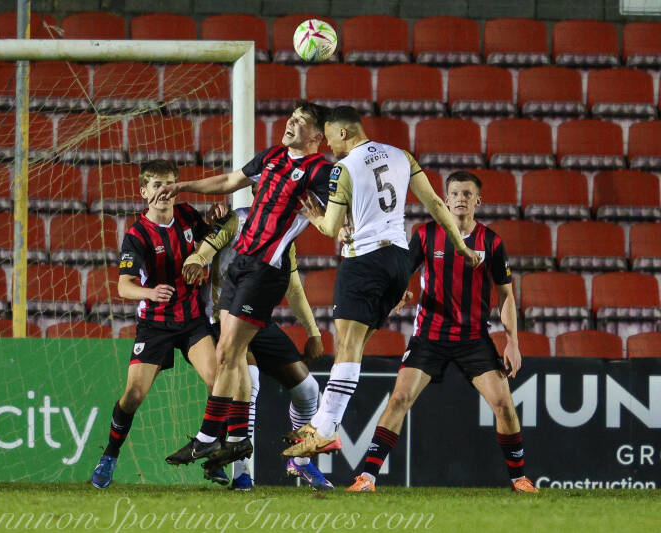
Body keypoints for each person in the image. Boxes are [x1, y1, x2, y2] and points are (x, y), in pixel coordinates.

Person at [282, 105, 481, 458]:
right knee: (353, 346)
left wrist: (315, 216)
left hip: (365, 260)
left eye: (330, 138)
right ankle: (322, 424)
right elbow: (437, 204)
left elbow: (331, 228)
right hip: (399, 262)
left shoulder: (343, 167)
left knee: (347, 345)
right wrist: (461, 246)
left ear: (343, 132)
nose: (329, 146)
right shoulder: (401, 155)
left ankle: (325, 430)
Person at [162, 102, 333, 467]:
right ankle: (238, 440)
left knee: (227, 351)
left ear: (318, 136)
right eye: (291, 116)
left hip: (265, 271)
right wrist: (183, 186)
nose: (291, 122)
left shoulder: (321, 170)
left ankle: (207, 438)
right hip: (240, 265)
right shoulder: (271, 156)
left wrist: (327, 223)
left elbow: (337, 217)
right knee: (234, 356)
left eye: (302, 121)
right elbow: (228, 181)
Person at [346, 170, 538, 494]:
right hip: (430, 336)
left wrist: (512, 341)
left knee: (504, 405)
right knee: (400, 398)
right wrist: (399, 292)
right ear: (445, 200)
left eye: (467, 194)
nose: (461, 199)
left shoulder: (492, 242)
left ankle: (519, 479)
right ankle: (367, 477)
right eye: (455, 194)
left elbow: (506, 295)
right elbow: (402, 273)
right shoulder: (426, 235)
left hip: (473, 338)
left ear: (478, 200)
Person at [183, 206, 334, 490]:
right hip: (223, 318)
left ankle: (300, 461)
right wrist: (196, 259)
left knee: (309, 390)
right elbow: (206, 249)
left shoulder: (285, 232)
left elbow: (293, 287)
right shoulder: (235, 220)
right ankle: (242, 473)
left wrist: (313, 331)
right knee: (249, 382)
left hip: (257, 319)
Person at [90, 160, 219, 489]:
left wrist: (214, 220)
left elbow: (211, 240)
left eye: (169, 183)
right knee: (133, 395)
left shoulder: (188, 216)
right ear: (144, 192)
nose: (164, 191)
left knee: (219, 382)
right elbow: (124, 287)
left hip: (192, 320)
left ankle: (215, 454)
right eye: (156, 185)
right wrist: (150, 292)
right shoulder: (137, 235)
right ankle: (110, 454)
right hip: (155, 324)